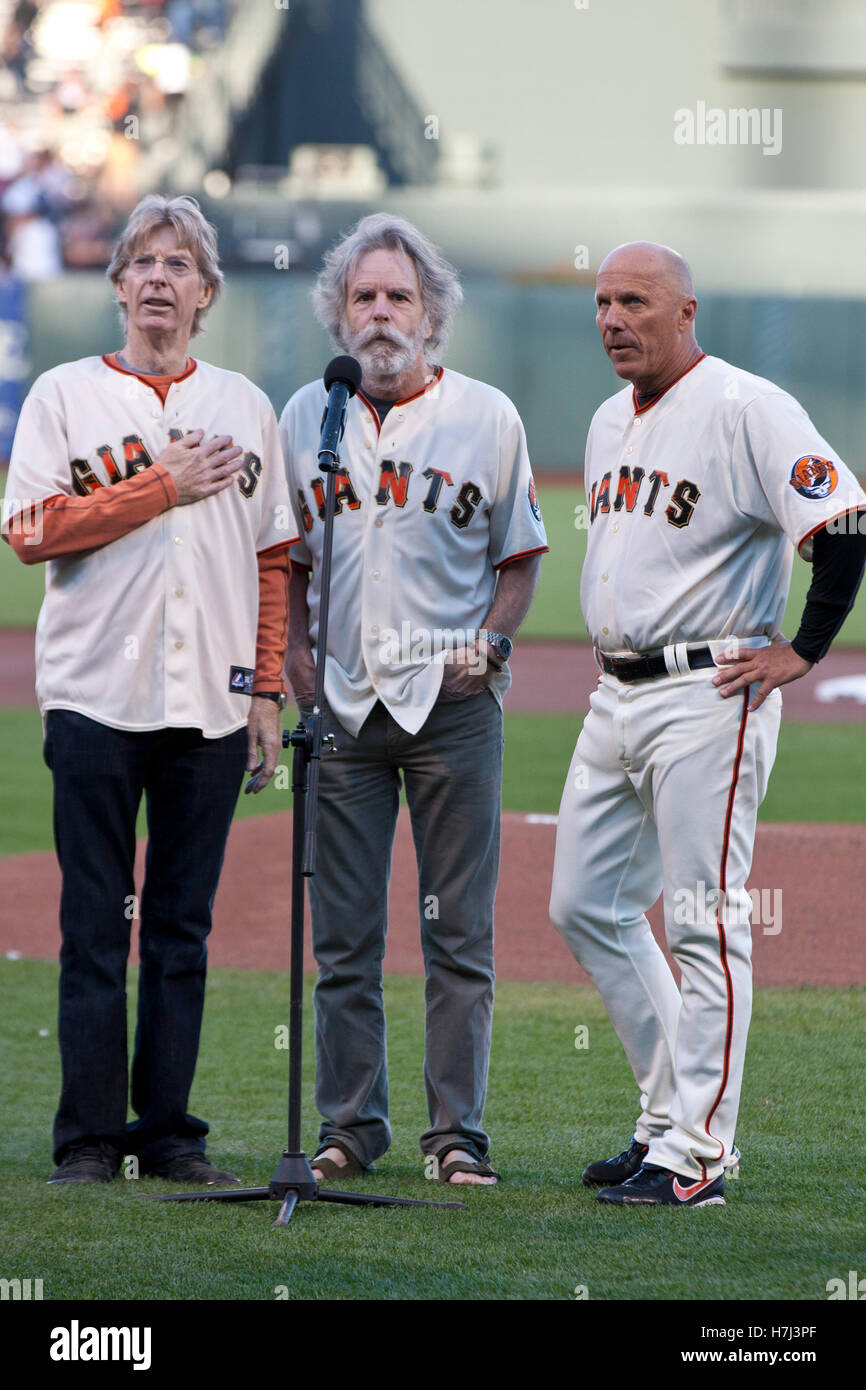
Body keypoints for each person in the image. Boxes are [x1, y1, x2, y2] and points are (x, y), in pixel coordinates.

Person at [549, 241, 866, 1207]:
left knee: (701, 922)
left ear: (686, 312)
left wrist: (803, 653)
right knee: (585, 904)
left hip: (708, 691)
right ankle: (663, 1117)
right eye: (602, 302)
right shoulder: (610, 418)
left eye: (634, 302)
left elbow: (844, 525)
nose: (612, 319)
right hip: (615, 693)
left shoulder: (747, 406)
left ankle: (697, 1155)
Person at [2, 194, 297, 1185]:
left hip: (211, 703)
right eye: (143, 262)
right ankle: (87, 1138)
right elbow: (31, 531)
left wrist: (263, 691)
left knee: (181, 927)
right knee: (94, 923)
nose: (160, 278)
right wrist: (158, 488)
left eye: (180, 264)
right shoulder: (63, 396)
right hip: (92, 692)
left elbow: (271, 559)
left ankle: (168, 1131)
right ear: (118, 285)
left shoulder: (245, 407)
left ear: (207, 294)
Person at [279, 213, 547, 1186]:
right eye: (363, 296)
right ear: (338, 313)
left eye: (398, 296)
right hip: (343, 710)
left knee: (456, 933)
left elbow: (515, 560)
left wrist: (494, 638)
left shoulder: (486, 415)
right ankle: (349, 1126)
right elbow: (290, 565)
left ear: (431, 313)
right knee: (342, 936)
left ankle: (454, 1133)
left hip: (452, 706)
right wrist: (295, 674)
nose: (381, 312)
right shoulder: (309, 414)